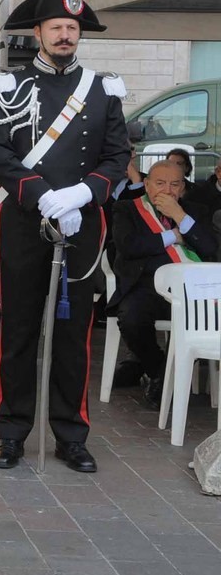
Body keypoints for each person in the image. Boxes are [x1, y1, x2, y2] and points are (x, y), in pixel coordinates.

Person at [0, 0, 130, 474]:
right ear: (37, 31)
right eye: (56, 26)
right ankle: (12, 431)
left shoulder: (103, 89)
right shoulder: (7, 85)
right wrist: (43, 196)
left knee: (73, 337)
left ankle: (71, 433)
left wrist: (83, 193)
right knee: (17, 329)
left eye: (72, 27)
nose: (65, 34)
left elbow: (117, 158)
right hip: (23, 220)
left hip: (83, 224)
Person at [108, 160, 217, 408]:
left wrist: (179, 216)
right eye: (159, 183)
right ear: (146, 185)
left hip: (192, 292)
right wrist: (173, 236)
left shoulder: (196, 211)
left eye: (174, 184)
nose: (167, 191)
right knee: (132, 319)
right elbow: (129, 246)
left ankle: (164, 375)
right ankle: (160, 371)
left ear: (183, 188)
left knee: (206, 323)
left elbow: (211, 248)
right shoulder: (128, 209)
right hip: (146, 286)